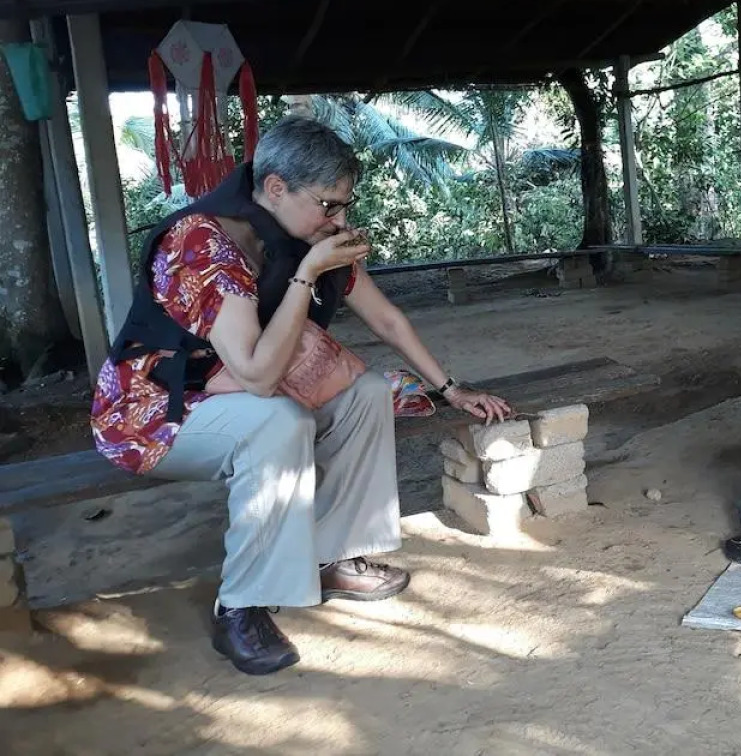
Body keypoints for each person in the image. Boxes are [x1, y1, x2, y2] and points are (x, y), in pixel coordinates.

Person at [91, 116, 513, 675]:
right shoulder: (205, 241)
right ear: (274, 189)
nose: (339, 219)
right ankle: (240, 606)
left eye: (345, 204)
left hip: (238, 389)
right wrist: (306, 275)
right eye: (328, 205)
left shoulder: (305, 234)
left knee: (365, 391)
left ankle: (333, 556)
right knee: (280, 423)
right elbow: (261, 376)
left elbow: (385, 318)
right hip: (153, 413)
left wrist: (451, 388)